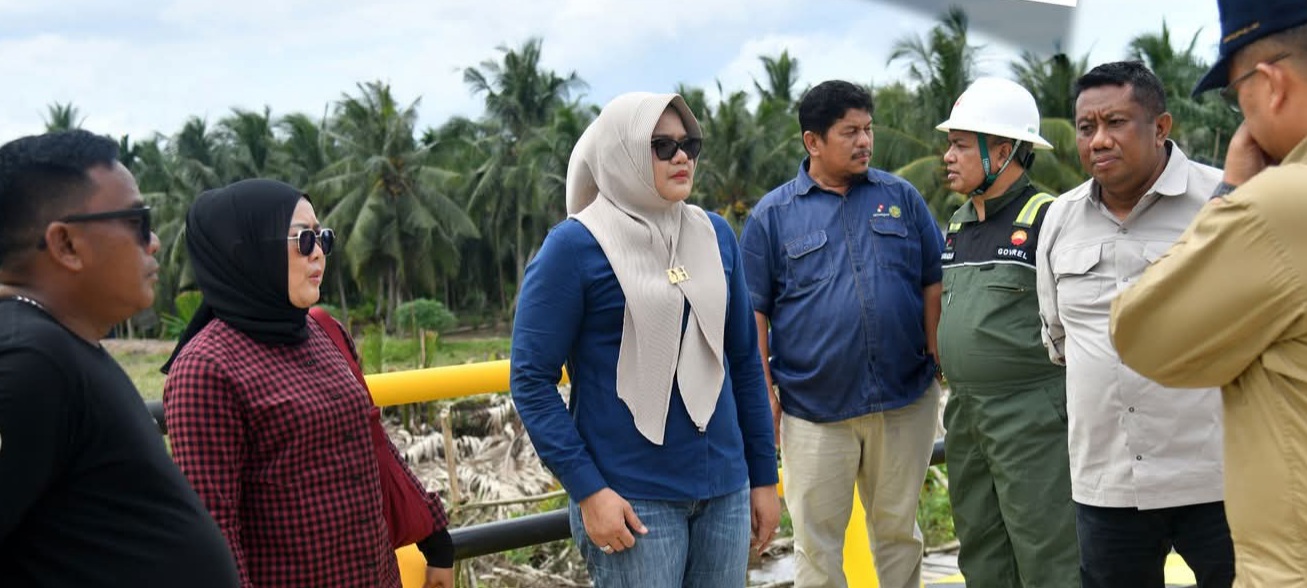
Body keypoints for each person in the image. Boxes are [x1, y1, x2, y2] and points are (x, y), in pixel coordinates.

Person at [510, 92, 779, 588]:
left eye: (689, 144)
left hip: (725, 490)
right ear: (624, 153)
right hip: (631, 498)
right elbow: (530, 380)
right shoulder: (574, 246)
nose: (681, 157)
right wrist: (589, 491)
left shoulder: (716, 235)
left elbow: (743, 360)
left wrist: (763, 476)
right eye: (662, 146)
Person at [160, 179, 453, 588]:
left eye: (323, 238)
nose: (318, 252)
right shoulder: (206, 369)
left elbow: (372, 443)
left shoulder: (322, 330)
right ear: (247, 252)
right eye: (303, 240)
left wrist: (435, 537)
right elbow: (213, 534)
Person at [1110, 0, 1307, 584]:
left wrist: (1230, 192)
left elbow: (1142, 332)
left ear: (1271, 84)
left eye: (1237, 94)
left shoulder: (1279, 205)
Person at [0, 130, 239, 587]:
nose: (154, 242)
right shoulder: (28, 360)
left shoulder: (60, 345)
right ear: (66, 245)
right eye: (137, 221)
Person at [1037, 61, 1235, 588]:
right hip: (1108, 482)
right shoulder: (1059, 219)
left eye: (1116, 123)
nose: (1098, 140)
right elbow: (1059, 336)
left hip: (1216, 476)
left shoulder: (1223, 202)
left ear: (1161, 126)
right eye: (1086, 127)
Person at [740, 80, 943, 588]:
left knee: (899, 534)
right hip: (814, 412)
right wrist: (764, 393)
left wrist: (938, 353)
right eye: (850, 131)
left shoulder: (901, 198)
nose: (865, 141)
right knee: (817, 547)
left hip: (904, 400)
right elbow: (753, 313)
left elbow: (933, 279)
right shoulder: (772, 217)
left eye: (868, 129)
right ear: (813, 141)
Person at [933, 76, 1080, 587]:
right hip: (966, 413)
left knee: (1047, 552)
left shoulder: (1049, 218)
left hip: (1030, 415)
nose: (947, 155)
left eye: (959, 144)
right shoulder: (958, 224)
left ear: (1002, 150)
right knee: (982, 551)